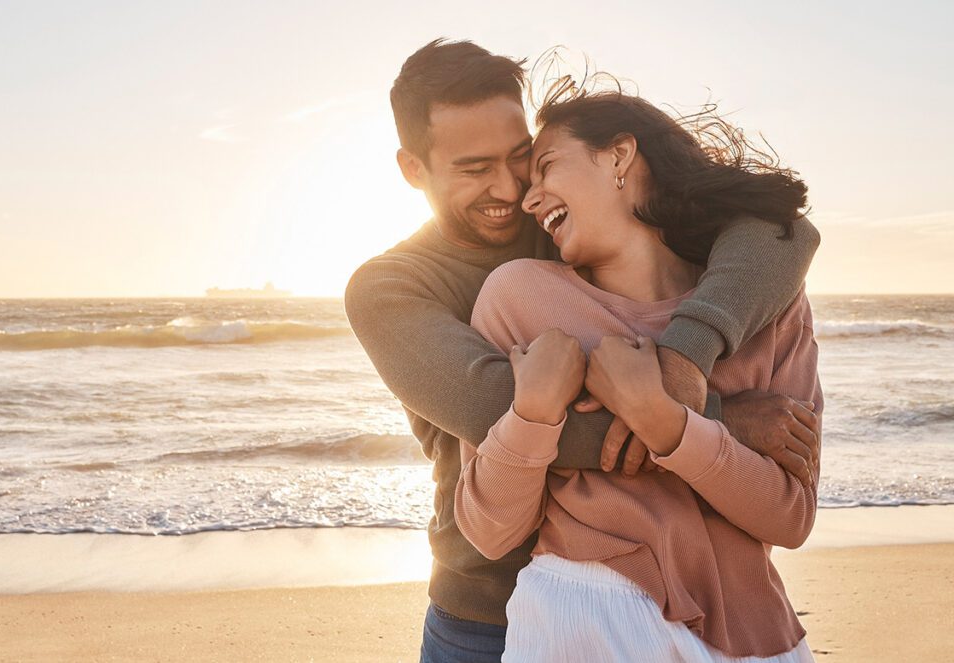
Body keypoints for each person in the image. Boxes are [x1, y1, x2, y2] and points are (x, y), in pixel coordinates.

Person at [345, 39, 821, 663]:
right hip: (485, 607)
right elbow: (496, 406)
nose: (512, 188)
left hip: (694, 594)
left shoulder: (578, 222)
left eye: (523, 157)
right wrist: (716, 420)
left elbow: (780, 234)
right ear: (414, 168)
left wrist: (683, 362)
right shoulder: (392, 287)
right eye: (473, 167)